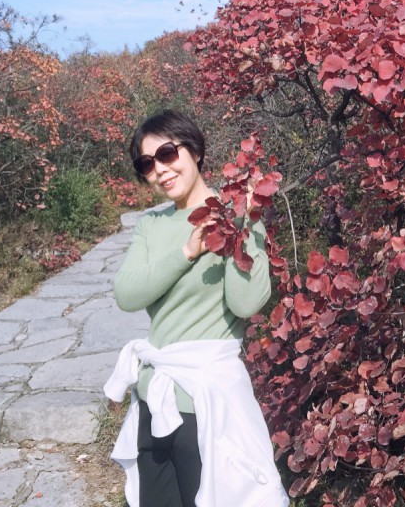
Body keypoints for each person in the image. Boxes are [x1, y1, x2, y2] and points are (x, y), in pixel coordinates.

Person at [104, 110, 289, 507]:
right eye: (147, 164)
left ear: (196, 151)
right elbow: (127, 294)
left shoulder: (236, 213)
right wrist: (187, 252)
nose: (159, 169)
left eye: (167, 154)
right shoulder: (151, 225)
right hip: (153, 401)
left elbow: (245, 303)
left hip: (205, 404)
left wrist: (245, 224)